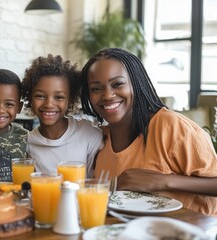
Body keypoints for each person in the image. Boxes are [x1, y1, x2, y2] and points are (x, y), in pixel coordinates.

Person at [81, 47, 217, 216]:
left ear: (136, 84)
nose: (107, 95)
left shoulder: (171, 126)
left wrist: (164, 181)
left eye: (117, 84)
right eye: (95, 89)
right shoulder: (97, 139)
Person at [21, 54, 103, 177]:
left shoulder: (88, 134)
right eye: (40, 96)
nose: (49, 104)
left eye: (59, 97)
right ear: (30, 99)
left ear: (70, 100)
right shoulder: (28, 143)